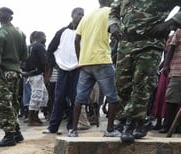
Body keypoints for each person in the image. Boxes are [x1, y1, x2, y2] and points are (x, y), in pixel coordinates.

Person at [108, 0, 181, 142]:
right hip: (126, 43)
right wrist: (113, 25)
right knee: (122, 84)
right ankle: (136, 120)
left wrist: (169, 23)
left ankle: (131, 123)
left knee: (142, 83)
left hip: (150, 43)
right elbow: (114, 11)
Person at [69, 0, 120, 138]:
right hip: (102, 60)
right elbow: (114, 31)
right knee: (112, 97)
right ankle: (110, 130)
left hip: (85, 63)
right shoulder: (111, 12)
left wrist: (81, 60)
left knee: (80, 98)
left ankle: (73, 130)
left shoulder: (87, 16)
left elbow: (76, 39)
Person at [0, 7, 28, 147]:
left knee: (4, 105)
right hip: (16, 73)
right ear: (11, 18)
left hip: (4, 73)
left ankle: (9, 136)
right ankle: (17, 133)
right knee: (14, 103)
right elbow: (25, 56)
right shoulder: (20, 32)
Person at [44, 7, 85, 135]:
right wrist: (56, 64)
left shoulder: (85, 33)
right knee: (59, 97)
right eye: (79, 14)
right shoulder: (62, 32)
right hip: (62, 70)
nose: (81, 17)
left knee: (74, 98)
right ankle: (53, 126)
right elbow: (50, 50)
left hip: (77, 70)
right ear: (72, 15)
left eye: (83, 15)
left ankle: (71, 127)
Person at [23, 31, 49, 126]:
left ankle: (35, 116)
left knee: (43, 96)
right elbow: (45, 62)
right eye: (44, 36)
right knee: (37, 97)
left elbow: (23, 62)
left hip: (31, 74)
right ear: (40, 37)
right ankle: (31, 119)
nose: (45, 39)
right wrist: (47, 76)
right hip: (37, 75)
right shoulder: (39, 46)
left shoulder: (29, 47)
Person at [160, 28, 181, 135]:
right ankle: (167, 125)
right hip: (177, 71)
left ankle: (178, 127)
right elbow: (171, 49)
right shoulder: (179, 31)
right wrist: (166, 65)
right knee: (171, 99)